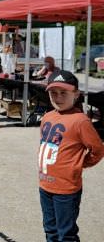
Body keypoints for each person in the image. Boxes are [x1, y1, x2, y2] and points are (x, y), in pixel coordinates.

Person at [38, 70, 104, 241]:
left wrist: (81, 163)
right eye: (53, 93)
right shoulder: (47, 117)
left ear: (76, 94)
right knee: (50, 229)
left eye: (63, 93)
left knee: (66, 233)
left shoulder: (80, 120)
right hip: (45, 185)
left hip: (66, 189)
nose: (58, 97)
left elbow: (97, 149)